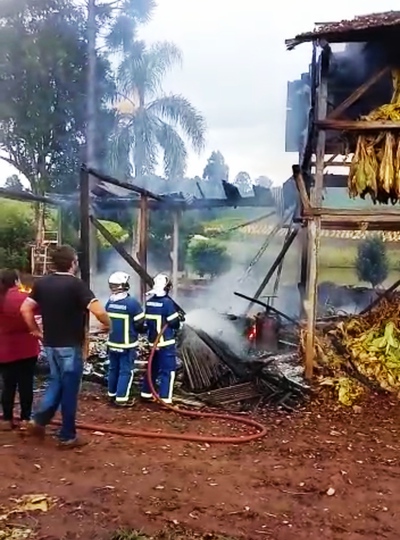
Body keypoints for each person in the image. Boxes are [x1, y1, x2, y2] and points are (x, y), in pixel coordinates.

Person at [20, 245, 110, 447]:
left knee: (56, 382)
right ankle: (67, 435)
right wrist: (108, 324)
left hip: (50, 344)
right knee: (69, 390)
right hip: (70, 346)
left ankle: (38, 420)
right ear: (73, 263)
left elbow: (25, 309)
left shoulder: (42, 283)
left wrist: (35, 330)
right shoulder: (76, 285)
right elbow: (98, 310)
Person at [0, 269, 40, 431]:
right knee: (26, 384)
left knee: (7, 385)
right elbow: (37, 314)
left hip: (4, 349)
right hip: (27, 348)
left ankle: (6, 419)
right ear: (17, 281)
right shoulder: (25, 298)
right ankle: (25, 418)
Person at [141, 273, 184, 404]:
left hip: (152, 343)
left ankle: (146, 393)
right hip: (166, 343)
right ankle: (165, 399)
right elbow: (174, 323)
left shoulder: (149, 303)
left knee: (152, 369)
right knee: (168, 371)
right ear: (167, 287)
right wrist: (179, 318)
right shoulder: (167, 303)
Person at [105, 272, 146, 407]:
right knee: (125, 371)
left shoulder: (109, 302)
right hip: (127, 344)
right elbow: (140, 323)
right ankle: (122, 398)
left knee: (113, 369)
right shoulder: (132, 303)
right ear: (124, 285)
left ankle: (111, 394)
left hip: (112, 343)